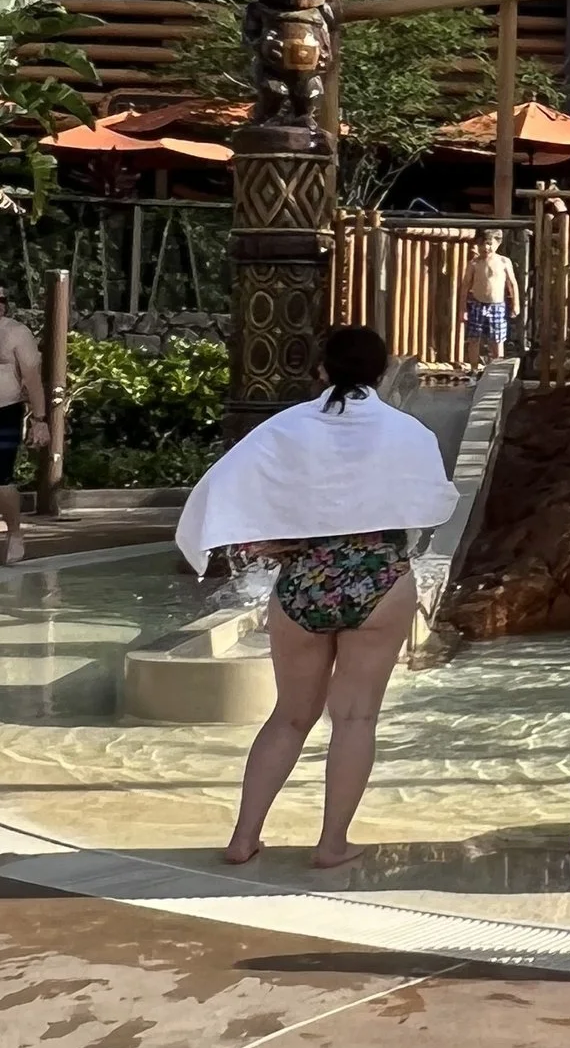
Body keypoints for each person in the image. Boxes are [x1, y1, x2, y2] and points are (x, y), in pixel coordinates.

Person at [175, 324, 458, 869]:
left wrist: (269, 541)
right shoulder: (407, 431)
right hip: (378, 574)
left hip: (305, 576)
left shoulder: (286, 428)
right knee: (354, 720)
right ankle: (331, 844)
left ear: (322, 371)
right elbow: (435, 503)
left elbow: (224, 487)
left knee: (288, 716)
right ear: (382, 372)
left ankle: (243, 838)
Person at [0, 277, 50, 566]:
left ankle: (14, 532)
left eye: (2, 299)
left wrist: (40, 420)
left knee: (0, 477)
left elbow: (33, 380)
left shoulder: (17, 333)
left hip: (3, 411)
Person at [462, 229, 519, 367]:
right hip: (477, 304)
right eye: (481, 244)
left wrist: (515, 304)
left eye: (489, 243)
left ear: (497, 244)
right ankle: (474, 368)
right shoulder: (474, 263)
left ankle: (497, 367)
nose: (485, 248)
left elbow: (512, 283)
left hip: (497, 305)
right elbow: (464, 287)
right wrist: (462, 308)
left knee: (497, 339)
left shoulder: (504, 262)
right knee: (474, 338)